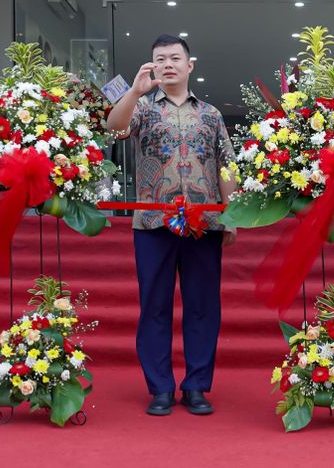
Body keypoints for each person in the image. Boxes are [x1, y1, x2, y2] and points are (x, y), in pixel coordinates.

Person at [105, 34, 236, 416]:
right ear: (152, 66)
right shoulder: (142, 109)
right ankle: (160, 387)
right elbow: (115, 129)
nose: (168, 64)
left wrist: (232, 215)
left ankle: (197, 385)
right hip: (153, 222)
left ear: (189, 65)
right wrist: (133, 92)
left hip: (204, 222)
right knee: (154, 306)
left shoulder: (210, 114)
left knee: (202, 307)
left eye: (175, 58)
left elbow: (225, 164)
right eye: (160, 59)